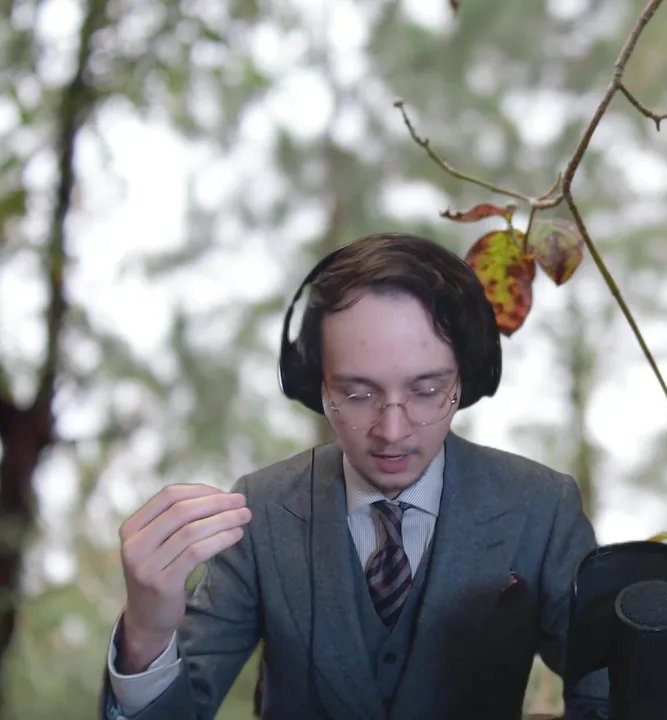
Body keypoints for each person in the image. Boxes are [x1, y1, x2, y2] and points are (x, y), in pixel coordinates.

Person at [98, 232, 609, 719]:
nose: (392, 431)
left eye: (427, 392)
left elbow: (609, 695)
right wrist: (146, 637)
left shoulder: (542, 506)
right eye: (358, 394)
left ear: (466, 380)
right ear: (315, 386)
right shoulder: (260, 511)